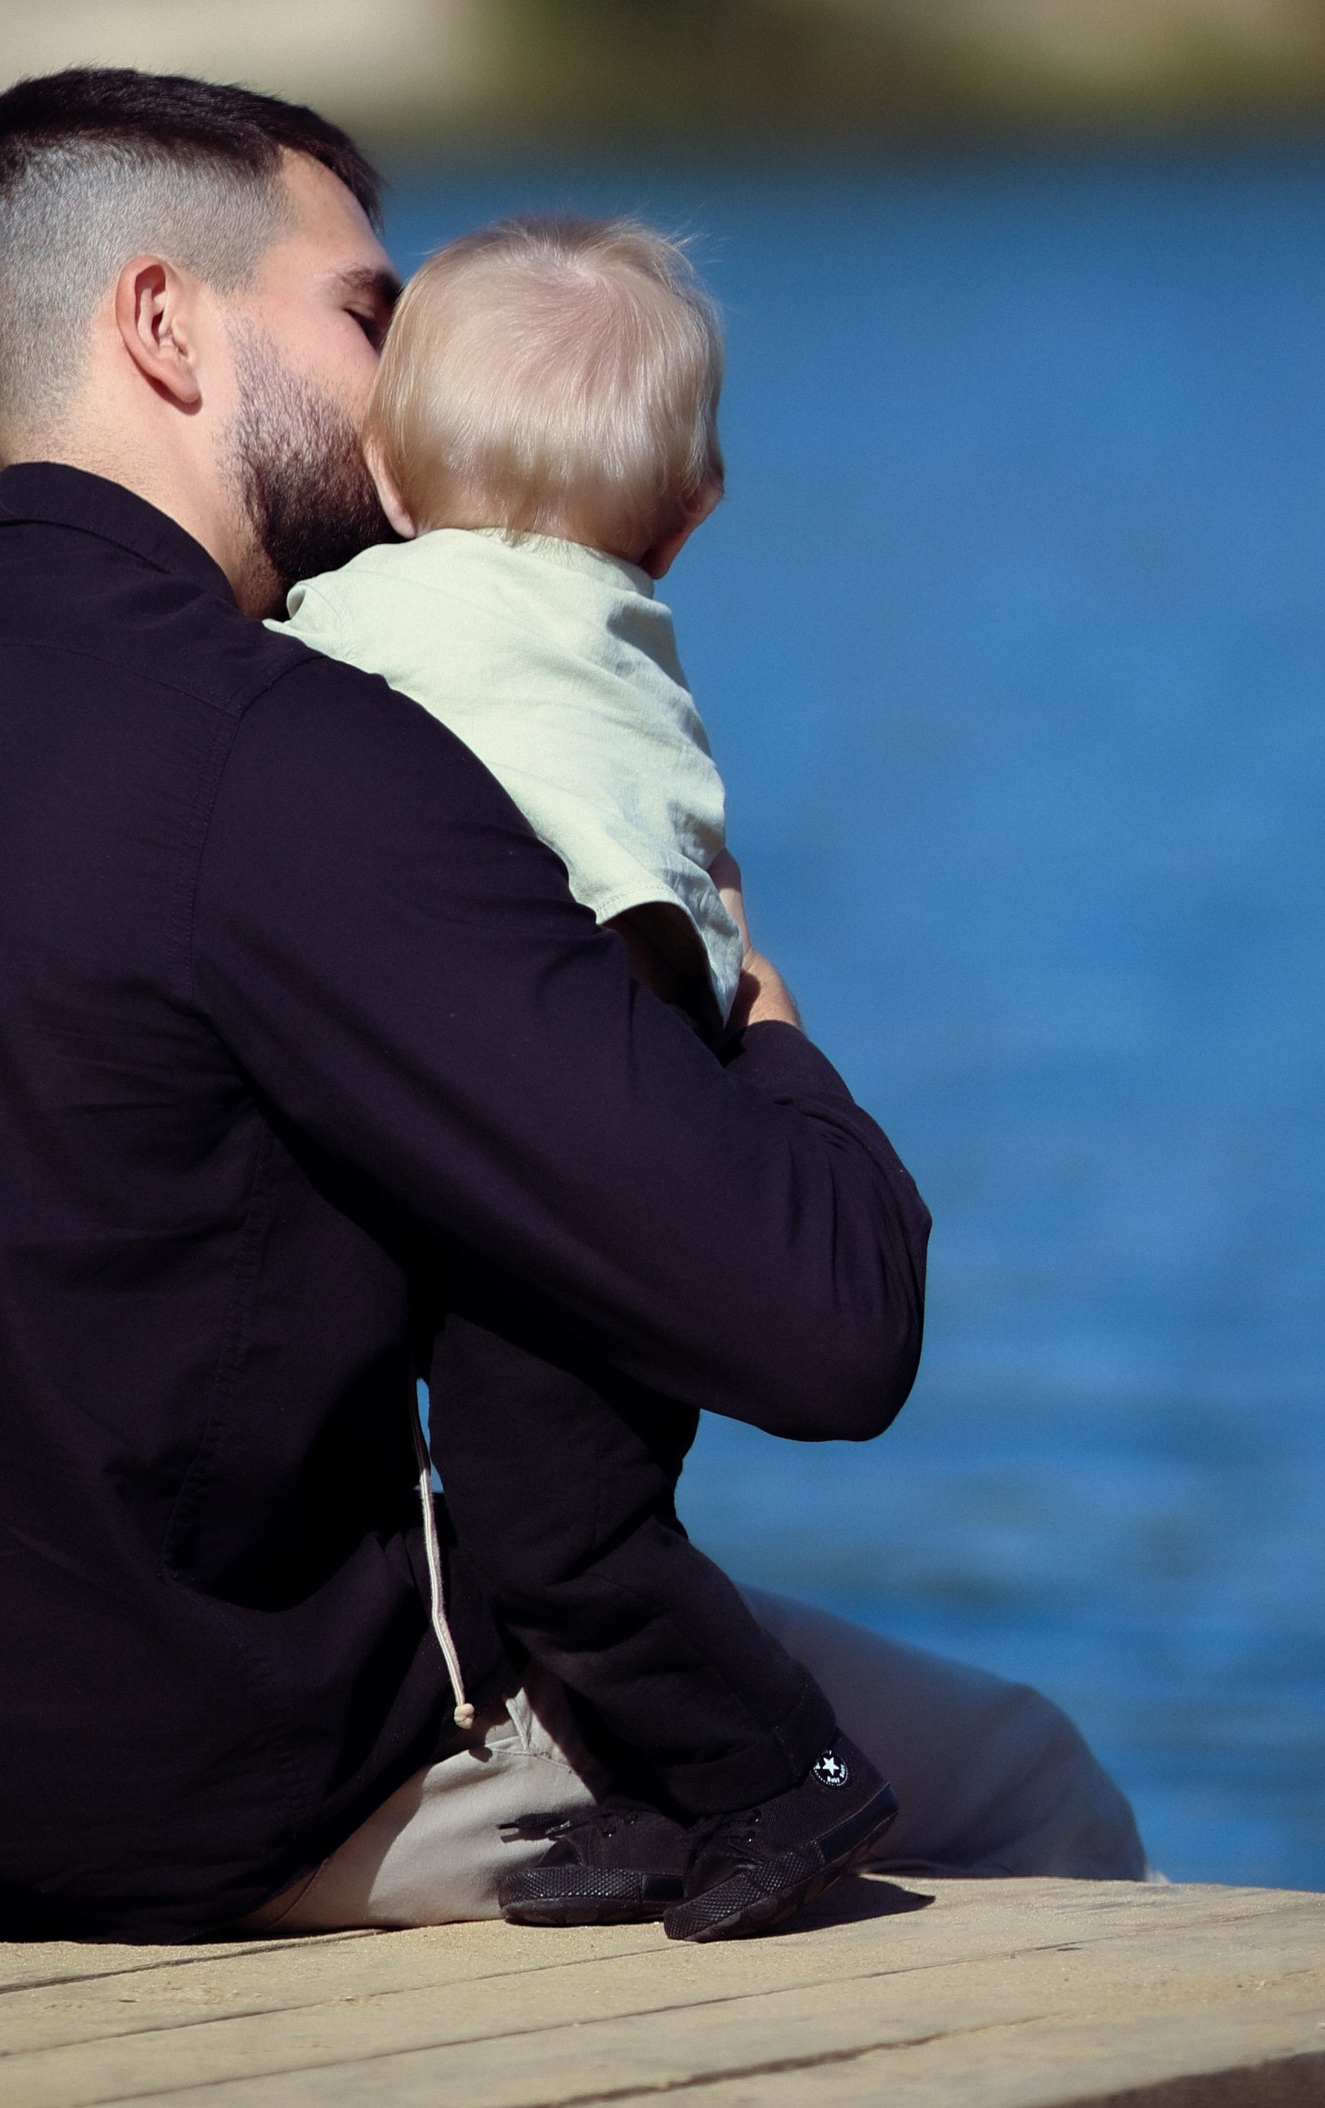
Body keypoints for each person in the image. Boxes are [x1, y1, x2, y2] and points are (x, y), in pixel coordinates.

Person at [0, 66, 1143, 1948]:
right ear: (164, 326)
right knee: (1028, 1778)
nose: (407, 388)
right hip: (219, 1795)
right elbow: (832, 1326)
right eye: (367, 318)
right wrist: (763, 1022)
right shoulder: (291, 754)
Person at [274, 214, 895, 1943]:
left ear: (382, 471)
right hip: (655, 1114)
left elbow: (252, 746)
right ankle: (659, 1791)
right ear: (687, 521)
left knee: (558, 1524)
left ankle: (788, 1773)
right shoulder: (627, 648)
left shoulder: (365, 613)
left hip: (548, 1161)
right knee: (575, 1500)